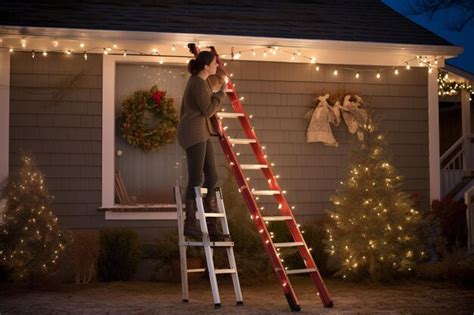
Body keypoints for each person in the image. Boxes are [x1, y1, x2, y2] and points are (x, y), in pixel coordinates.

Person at [177, 51, 228, 239]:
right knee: (196, 178)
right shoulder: (197, 84)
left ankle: (211, 226)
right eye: (214, 63)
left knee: (212, 176)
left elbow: (215, 82)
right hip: (193, 133)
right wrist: (222, 94)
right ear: (206, 66)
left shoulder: (203, 81)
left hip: (202, 132)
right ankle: (190, 223)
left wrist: (222, 77)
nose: (216, 65)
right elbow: (207, 110)